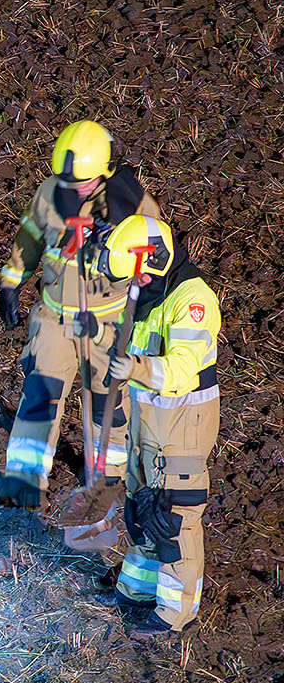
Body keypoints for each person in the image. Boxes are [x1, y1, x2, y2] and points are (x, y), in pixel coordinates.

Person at [0, 120, 159, 509]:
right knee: (40, 395)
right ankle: (24, 482)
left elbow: (156, 258)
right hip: (54, 319)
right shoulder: (50, 192)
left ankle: (108, 478)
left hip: (108, 323)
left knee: (109, 402)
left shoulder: (135, 204)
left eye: (83, 182)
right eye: (68, 181)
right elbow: (30, 236)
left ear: (104, 171)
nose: (74, 188)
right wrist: (10, 282)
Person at [92, 215, 220, 639]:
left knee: (173, 520)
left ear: (157, 261)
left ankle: (175, 612)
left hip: (181, 426)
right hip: (147, 427)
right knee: (141, 509)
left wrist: (135, 367)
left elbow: (182, 370)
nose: (135, 283)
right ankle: (137, 589)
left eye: (139, 275)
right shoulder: (150, 295)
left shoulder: (192, 300)